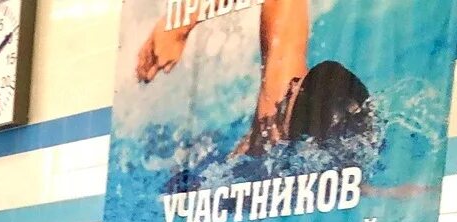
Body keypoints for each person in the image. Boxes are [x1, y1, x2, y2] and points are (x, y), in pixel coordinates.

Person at [135, 0, 374, 162]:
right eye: (295, 83)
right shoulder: (279, 100)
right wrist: (181, 22)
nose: (286, 87)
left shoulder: (273, 130)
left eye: (288, 98)